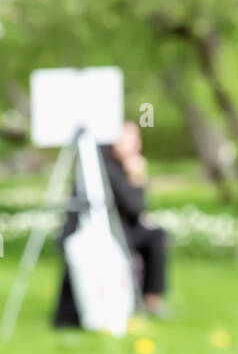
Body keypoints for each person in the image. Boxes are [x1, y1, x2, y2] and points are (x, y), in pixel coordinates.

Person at [53, 121, 169, 327]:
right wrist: (138, 177)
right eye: (125, 140)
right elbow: (135, 207)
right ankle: (150, 298)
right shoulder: (106, 168)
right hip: (105, 233)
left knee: (156, 234)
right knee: (155, 236)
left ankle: (150, 296)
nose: (131, 146)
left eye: (135, 140)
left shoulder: (111, 164)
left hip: (117, 229)